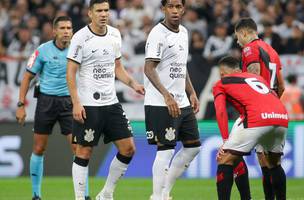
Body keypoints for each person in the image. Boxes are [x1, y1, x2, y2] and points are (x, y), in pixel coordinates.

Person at [66, 1, 144, 200]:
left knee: (128, 149)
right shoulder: (80, 38)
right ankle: (79, 197)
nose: (103, 14)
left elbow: (117, 67)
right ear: (90, 13)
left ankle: (106, 193)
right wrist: (76, 102)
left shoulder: (114, 34)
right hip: (88, 105)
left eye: (106, 10)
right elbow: (71, 72)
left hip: (111, 104)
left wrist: (133, 83)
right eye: (99, 11)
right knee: (84, 153)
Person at [15, 16, 91, 200]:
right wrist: (20, 104)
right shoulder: (42, 51)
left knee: (78, 149)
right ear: (54, 31)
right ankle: (36, 194)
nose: (66, 31)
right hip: (46, 102)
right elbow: (27, 77)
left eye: (69, 28)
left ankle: (84, 195)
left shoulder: (79, 49)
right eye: (63, 28)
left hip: (69, 103)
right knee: (39, 148)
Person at [144, 0, 201, 200]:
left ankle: (164, 190)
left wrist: (192, 92)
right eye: (171, 7)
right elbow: (149, 68)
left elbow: (180, 66)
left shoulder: (184, 32)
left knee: (193, 147)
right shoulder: (158, 34)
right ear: (163, 9)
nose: (175, 11)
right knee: (166, 150)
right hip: (160, 102)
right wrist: (166, 95)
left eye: (178, 6)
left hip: (181, 100)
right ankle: (158, 196)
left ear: (183, 9)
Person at [213, 56, 288, 200]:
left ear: (222, 73)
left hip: (256, 118)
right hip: (281, 116)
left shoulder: (221, 83)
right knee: (274, 164)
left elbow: (221, 111)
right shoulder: (258, 78)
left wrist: (225, 140)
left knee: (224, 159)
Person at [235, 17, 285, 200]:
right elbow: (282, 86)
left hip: (259, 112)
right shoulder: (272, 51)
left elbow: (254, 77)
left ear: (245, 33)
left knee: (258, 160)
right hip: (276, 110)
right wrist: (272, 103)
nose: (237, 41)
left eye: (237, 36)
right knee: (273, 163)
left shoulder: (250, 49)